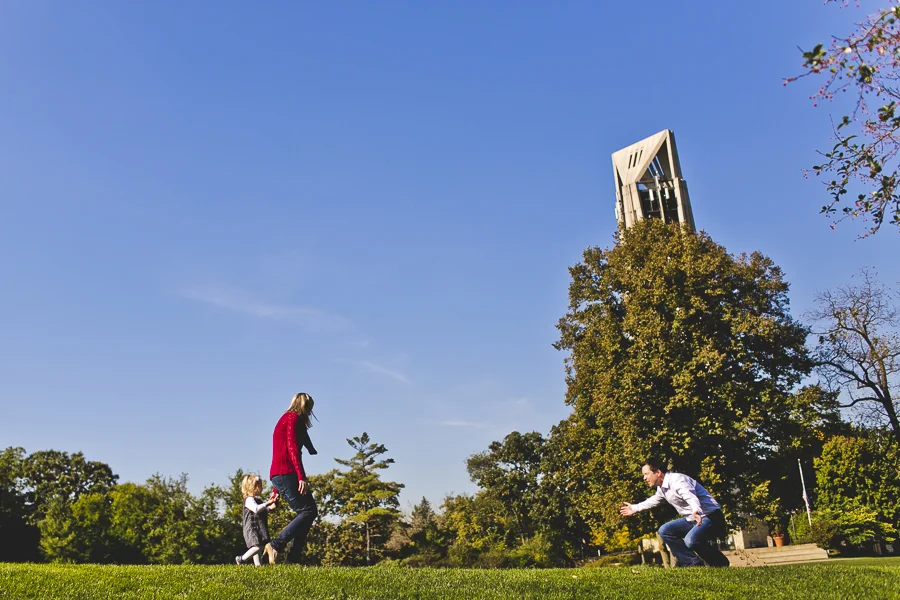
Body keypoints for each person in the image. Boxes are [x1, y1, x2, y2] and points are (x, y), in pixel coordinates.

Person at [619, 458, 730, 567]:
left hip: (711, 516)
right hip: (693, 519)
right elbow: (654, 500)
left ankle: (720, 563)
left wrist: (696, 510)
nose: (644, 478)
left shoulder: (678, 480)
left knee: (690, 541)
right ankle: (693, 564)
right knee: (665, 530)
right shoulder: (662, 488)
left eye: (646, 474)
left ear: (658, 472)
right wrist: (634, 508)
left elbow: (690, 496)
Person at [267, 392, 319, 564]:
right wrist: (301, 477)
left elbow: (283, 451)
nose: (310, 412)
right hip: (286, 473)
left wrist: (276, 489)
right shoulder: (292, 418)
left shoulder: (291, 420)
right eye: (309, 408)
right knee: (308, 511)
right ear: (305, 406)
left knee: (307, 514)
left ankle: (293, 560)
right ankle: (275, 545)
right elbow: (291, 448)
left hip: (281, 474)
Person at [235, 473, 278, 566]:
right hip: (252, 528)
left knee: (257, 545)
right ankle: (241, 559)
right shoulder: (249, 500)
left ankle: (258, 565)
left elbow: (263, 510)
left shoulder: (256, 500)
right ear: (253, 487)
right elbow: (256, 509)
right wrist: (268, 503)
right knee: (259, 546)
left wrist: (271, 506)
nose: (262, 488)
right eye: (260, 486)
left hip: (258, 527)